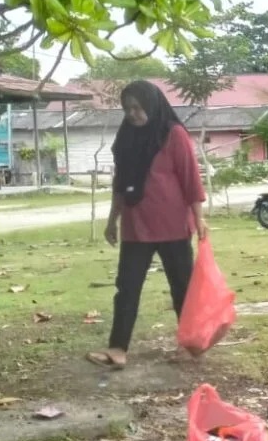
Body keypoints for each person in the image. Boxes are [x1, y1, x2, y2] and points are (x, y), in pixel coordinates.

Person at [88, 82, 207, 368]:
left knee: (182, 287)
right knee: (126, 288)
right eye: (127, 108)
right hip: (136, 226)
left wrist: (199, 218)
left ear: (152, 105)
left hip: (173, 225)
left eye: (137, 107)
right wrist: (112, 220)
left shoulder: (173, 133)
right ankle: (117, 349)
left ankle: (191, 345)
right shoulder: (126, 136)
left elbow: (190, 178)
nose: (132, 114)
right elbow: (120, 183)